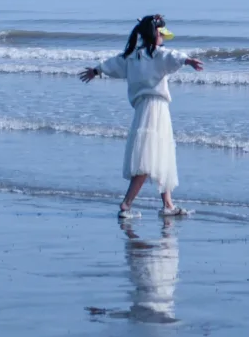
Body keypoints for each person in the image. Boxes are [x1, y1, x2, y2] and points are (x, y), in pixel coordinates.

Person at [79, 13, 203, 219]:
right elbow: (172, 56)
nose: (163, 38)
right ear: (155, 34)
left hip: (143, 108)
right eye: (161, 34)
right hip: (155, 108)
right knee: (148, 157)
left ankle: (168, 205)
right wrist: (188, 60)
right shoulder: (156, 54)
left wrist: (96, 70)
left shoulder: (134, 56)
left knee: (159, 154)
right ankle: (127, 204)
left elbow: (114, 63)